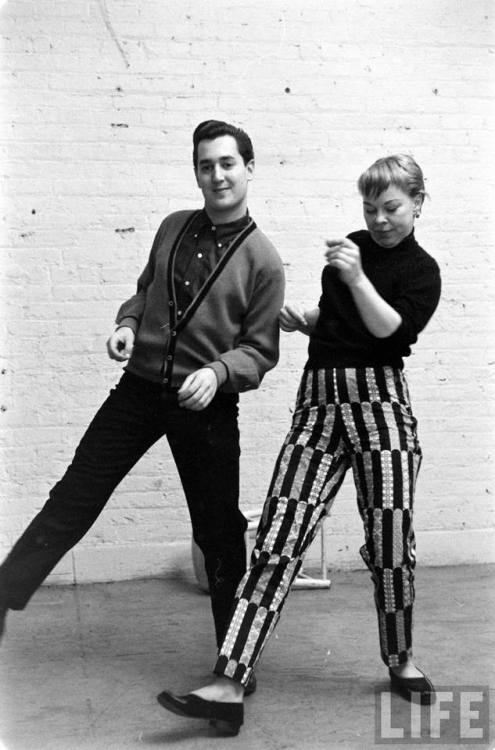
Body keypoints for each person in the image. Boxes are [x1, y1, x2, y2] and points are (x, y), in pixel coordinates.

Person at [157, 154, 442, 736]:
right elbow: (346, 321)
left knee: (390, 540)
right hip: (318, 403)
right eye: (370, 208)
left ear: (417, 202)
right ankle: (228, 683)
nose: (380, 219)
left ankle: (400, 659)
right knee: (279, 540)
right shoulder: (352, 252)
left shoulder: (421, 269)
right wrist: (307, 318)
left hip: (380, 406)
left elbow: (390, 330)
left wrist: (357, 275)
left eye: (391, 208)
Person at [0, 120, 286, 685]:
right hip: (137, 390)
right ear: (197, 172)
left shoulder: (265, 261)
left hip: (204, 405)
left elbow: (260, 351)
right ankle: (3, 596)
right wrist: (127, 324)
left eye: (228, 163)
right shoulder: (172, 227)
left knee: (219, 532)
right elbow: (144, 289)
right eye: (206, 165)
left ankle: (236, 663)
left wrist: (218, 371)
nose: (217, 175)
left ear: (249, 168)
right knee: (76, 495)